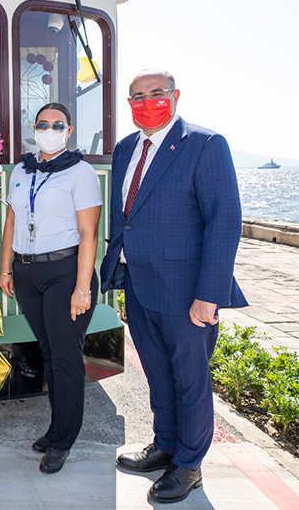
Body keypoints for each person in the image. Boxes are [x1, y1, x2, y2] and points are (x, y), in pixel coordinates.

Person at [100, 69, 246, 504]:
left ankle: (189, 466)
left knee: (190, 380)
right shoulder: (126, 148)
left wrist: (209, 295)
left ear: (175, 96)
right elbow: (124, 217)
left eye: (157, 93)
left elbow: (224, 221)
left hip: (186, 291)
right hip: (141, 287)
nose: (147, 101)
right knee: (158, 375)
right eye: (137, 96)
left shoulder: (205, 144)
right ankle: (165, 444)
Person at [0, 102, 102, 474]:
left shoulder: (81, 172)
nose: (50, 129)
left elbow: (89, 233)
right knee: (49, 351)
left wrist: (82, 287)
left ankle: (62, 440)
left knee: (65, 356)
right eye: (43, 124)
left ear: (69, 130)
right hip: (27, 274)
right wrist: (5, 267)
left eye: (57, 124)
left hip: (65, 271)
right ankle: (57, 427)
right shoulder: (21, 171)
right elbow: (11, 219)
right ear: (35, 128)